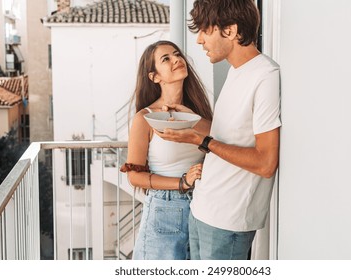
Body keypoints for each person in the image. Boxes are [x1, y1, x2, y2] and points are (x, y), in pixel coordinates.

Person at [155, 0, 281, 260]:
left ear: (231, 31)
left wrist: (201, 140)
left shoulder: (265, 76)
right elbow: (225, 134)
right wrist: (190, 121)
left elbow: (266, 162)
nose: (199, 40)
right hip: (203, 207)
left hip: (229, 220)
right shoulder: (236, 71)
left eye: (205, 30)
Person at [120, 40, 213, 260]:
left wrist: (192, 117)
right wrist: (182, 182)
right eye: (166, 59)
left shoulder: (199, 113)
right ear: (154, 77)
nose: (176, 60)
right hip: (165, 207)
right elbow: (134, 176)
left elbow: (220, 139)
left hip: (201, 206)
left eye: (177, 54)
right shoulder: (145, 118)